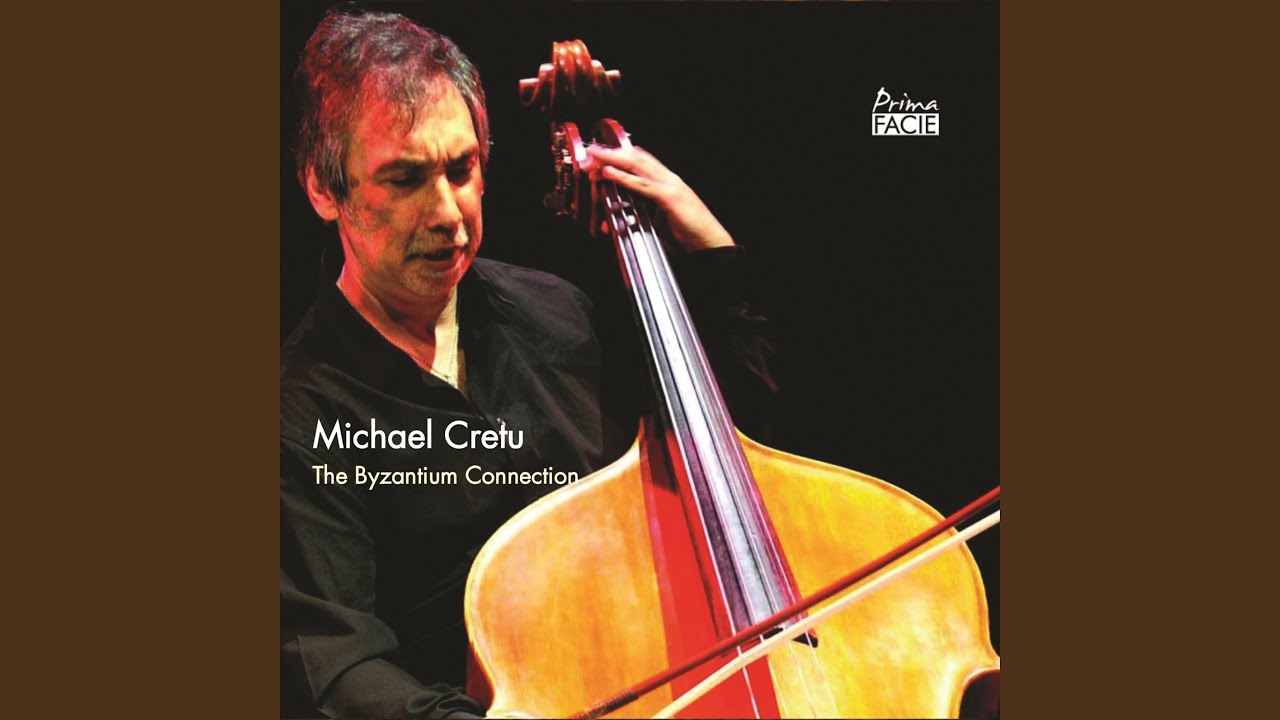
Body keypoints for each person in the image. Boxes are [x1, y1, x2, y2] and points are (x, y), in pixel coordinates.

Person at [281, 7, 775, 719]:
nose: (447, 213)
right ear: (325, 190)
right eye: (405, 179)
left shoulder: (558, 316)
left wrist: (706, 245)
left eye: (461, 169)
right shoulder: (299, 417)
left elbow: (727, 457)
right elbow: (337, 667)